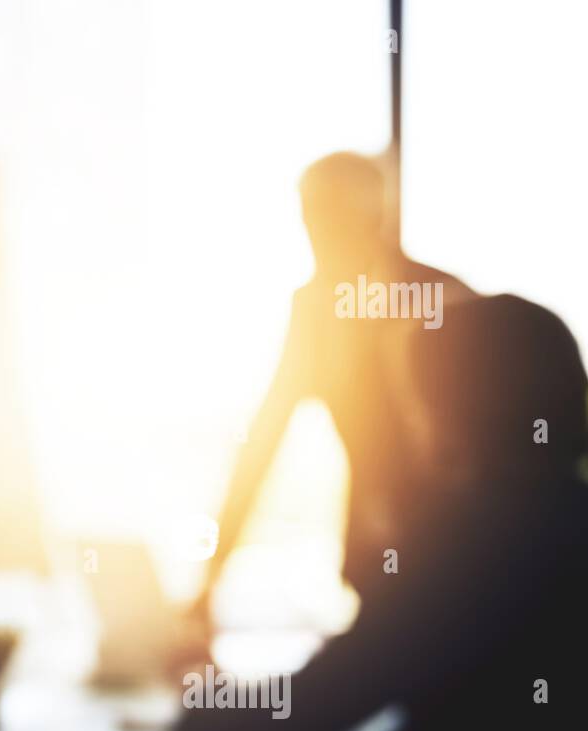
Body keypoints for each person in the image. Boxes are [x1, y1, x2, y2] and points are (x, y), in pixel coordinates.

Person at [173, 294, 588, 731]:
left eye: (418, 403)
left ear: (454, 412)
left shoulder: (470, 541)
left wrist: (195, 693)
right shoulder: (568, 521)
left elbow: (297, 718)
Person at [183, 153, 475, 648]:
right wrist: (209, 583)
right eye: (308, 220)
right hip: (375, 563)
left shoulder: (443, 302)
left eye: (327, 221)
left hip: (457, 561)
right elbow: (262, 445)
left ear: (372, 221)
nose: (314, 239)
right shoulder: (315, 309)